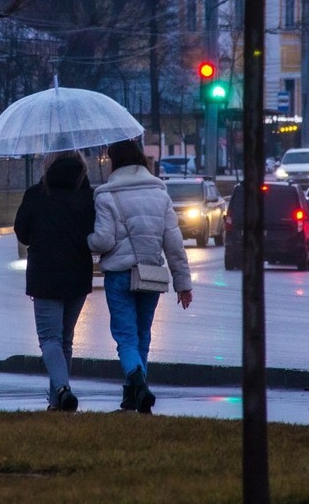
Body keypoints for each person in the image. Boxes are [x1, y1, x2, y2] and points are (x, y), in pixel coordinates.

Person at [88, 139, 193, 414]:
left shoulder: (106, 196)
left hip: (120, 277)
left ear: (115, 163)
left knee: (125, 337)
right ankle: (133, 395)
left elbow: (102, 241)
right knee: (142, 335)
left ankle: (138, 386)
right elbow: (174, 244)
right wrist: (183, 284)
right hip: (151, 275)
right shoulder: (161, 194)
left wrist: (85, 240)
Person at [14, 149, 95, 412]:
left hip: (45, 275)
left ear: (48, 165)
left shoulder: (37, 194)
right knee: (65, 340)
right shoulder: (86, 196)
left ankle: (62, 389)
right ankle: (56, 402)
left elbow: (22, 233)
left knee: (50, 339)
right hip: (78, 274)